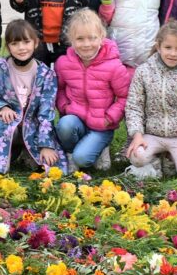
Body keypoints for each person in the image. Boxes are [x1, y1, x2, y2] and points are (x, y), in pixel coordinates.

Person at [0, 20, 68, 174]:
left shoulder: (46, 75)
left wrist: (46, 145)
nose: (21, 47)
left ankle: (27, 151)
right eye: (15, 43)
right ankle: (1, 164)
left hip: (32, 128)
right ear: (8, 46)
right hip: (5, 129)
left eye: (26, 42)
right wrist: (1, 107)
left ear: (35, 43)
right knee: (4, 121)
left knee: (52, 166)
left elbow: (47, 111)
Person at [124, 21, 177, 180]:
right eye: (168, 47)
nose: (173, 53)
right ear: (159, 47)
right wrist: (137, 135)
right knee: (137, 156)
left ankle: (170, 158)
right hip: (152, 134)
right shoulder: (144, 71)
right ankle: (155, 163)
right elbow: (134, 106)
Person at [54, 9, 131, 171]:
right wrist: (64, 107)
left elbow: (124, 97)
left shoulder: (114, 66)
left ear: (102, 37)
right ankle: (70, 153)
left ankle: (99, 148)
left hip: (101, 125)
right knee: (64, 125)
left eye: (92, 38)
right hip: (75, 120)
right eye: (80, 39)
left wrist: (110, 118)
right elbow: (59, 89)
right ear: (71, 39)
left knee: (82, 159)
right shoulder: (63, 64)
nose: (86, 44)